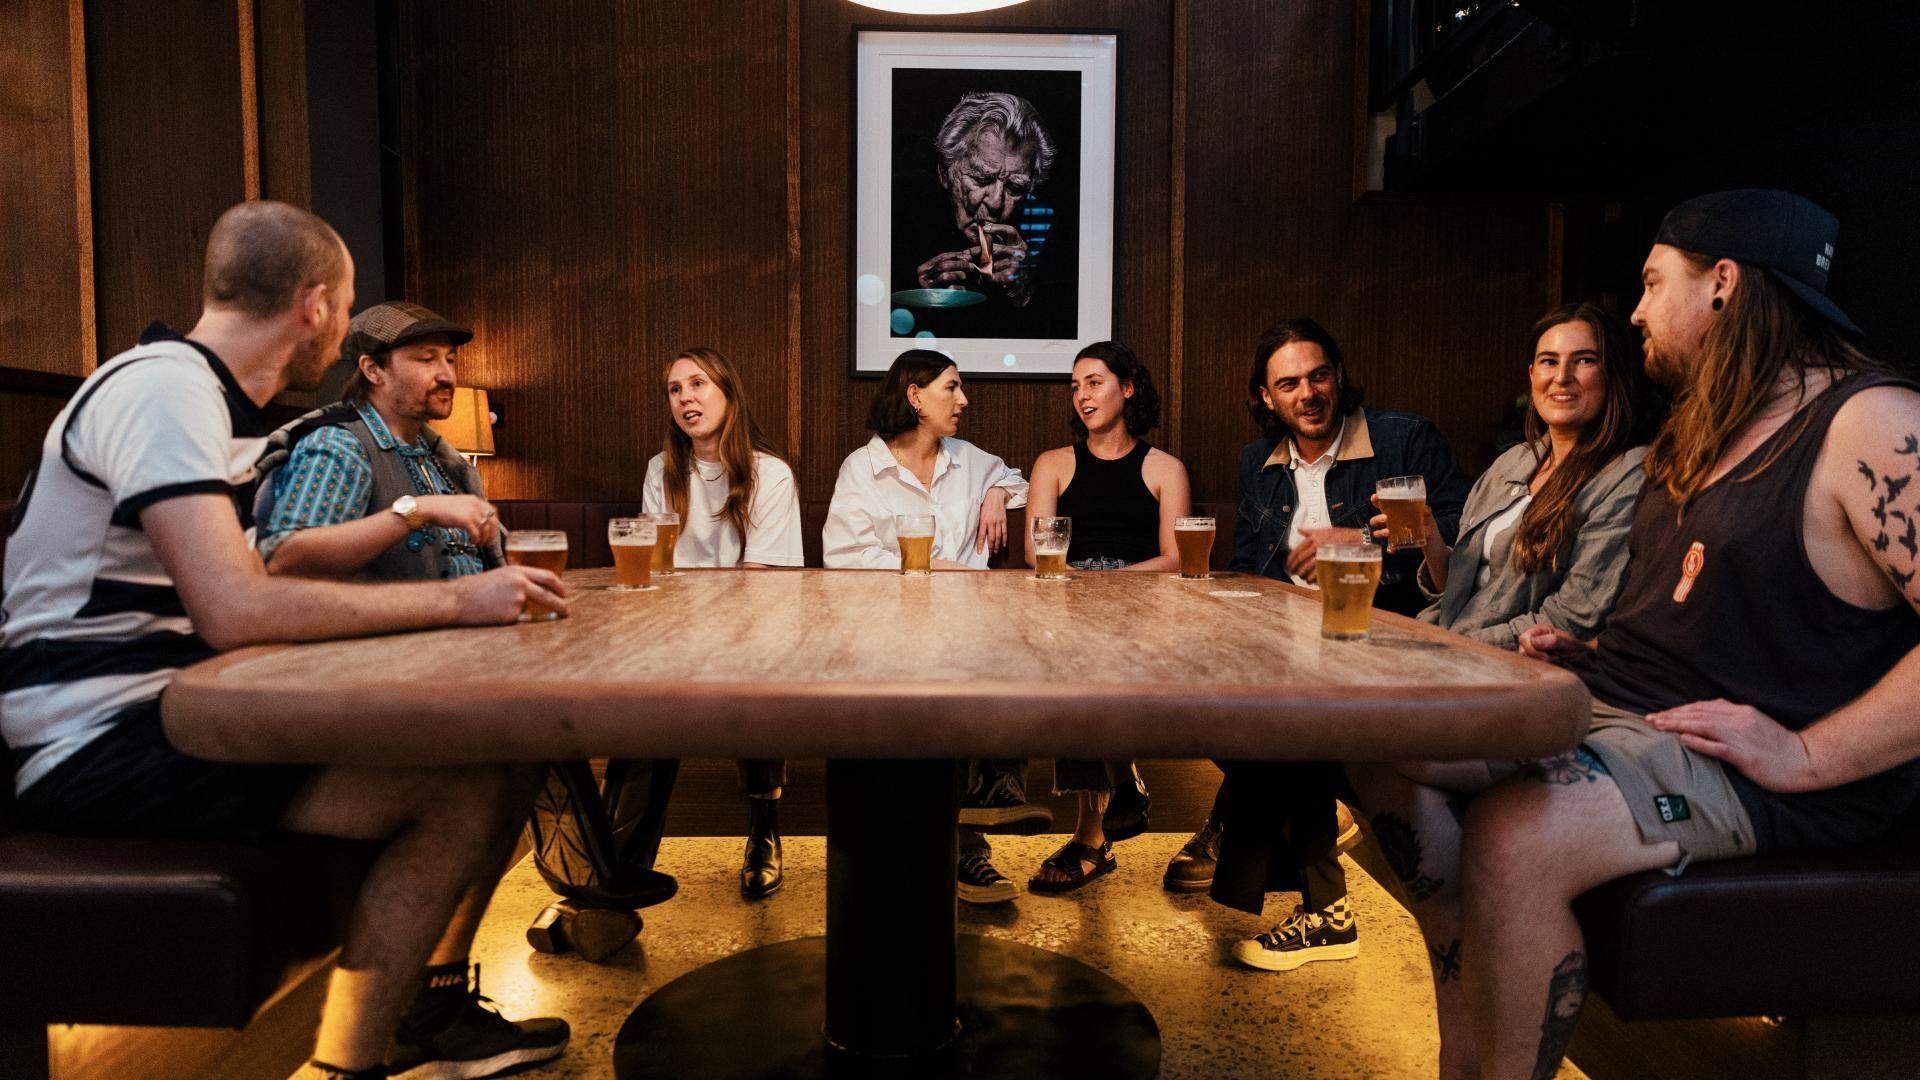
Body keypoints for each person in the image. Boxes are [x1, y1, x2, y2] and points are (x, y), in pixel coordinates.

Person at [1348, 189, 1920, 1080]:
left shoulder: (1869, 424)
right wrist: (1591, 652)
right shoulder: (1706, 429)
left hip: (1756, 767)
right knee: (1384, 742)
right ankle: (1463, 1046)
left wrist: (1808, 754)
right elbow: (1705, 606)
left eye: (1654, 285)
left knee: (1514, 836)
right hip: (1630, 710)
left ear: (1723, 283)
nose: (1640, 312)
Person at [0, 201, 572, 1080]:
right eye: (344, 310)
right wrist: (464, 605)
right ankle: (351, 1067)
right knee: (458, 790)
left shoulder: (204, 402)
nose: (340, 331)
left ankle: (387, 1041)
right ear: (316, 305)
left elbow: (244, 594)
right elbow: (239, 605)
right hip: (89, 742)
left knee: (489, 763)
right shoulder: (163, 387)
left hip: (165, 716)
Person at [1169, 317, 1472, 975]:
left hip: (1388, 635)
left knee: (1289, 727)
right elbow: (1252, 564)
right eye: (1288, 384)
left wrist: (1361, 545)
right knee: (1209, 700)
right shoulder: (1261, 462)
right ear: (1266, 397)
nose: (1307, 393)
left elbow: (1463, 537)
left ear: (1338, 377)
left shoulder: (1401, 439)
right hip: (1292, 639)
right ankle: (1263, 828)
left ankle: (1319, 903)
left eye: (1318, 376)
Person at [823, 348, 1036, 904]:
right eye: (952, 387)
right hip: (889, 627)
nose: (963, 400)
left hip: (970, 625)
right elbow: (844, 557)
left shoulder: (970, 459)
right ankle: (949, 831)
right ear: (915, 397)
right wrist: (931, 565)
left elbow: (1021, 481)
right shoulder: (863, 467)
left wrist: (997, 491)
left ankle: (977, 828)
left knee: (1003, 650)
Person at [1019, 341, 1191, 893]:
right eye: (1075, 387)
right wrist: (1085, 592)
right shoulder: (1053, 464)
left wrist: (1112, 585)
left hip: (1144, 611)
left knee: (1085, 655)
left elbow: (1176, 557)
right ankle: (1119, 786)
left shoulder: (1165, 468)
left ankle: (1092, 836)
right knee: (1074, 652)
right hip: (1068, 609)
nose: (1082, 396)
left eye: (1094, 382)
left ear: (1128, 387)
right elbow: (1036, 550)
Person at [641, 347, 804, 900]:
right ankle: (621, 855)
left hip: (751, 628)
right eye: (674, 389)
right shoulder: (661, 472)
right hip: (678, 627)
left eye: (698, 384)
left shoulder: (769, 473)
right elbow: (656, 569)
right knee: (629, 687)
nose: (685, 397)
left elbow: (756, 583)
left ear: (729, 394)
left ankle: (763, 832)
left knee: (755, 667)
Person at [1396, 301, 1651, 649]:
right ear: (1532, 375)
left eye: (1585, 360)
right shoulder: (1512, 462)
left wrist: (1456, 645)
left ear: (1613, 373)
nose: (1562, 376)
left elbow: (1570, 619)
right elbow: (1457, 594)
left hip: (1511, 671)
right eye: (1549, 361)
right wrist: (1430, 539)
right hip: (1444, 645)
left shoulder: (1627, 474)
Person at [893, 91, 1074, 340]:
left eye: (1015, 188)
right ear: (945, 173)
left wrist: (1023, 293)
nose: (997, 202)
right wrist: (917, 301)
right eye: (980, 179)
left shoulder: (1058, 250)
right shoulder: (898, 232)